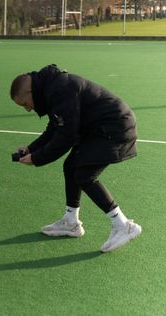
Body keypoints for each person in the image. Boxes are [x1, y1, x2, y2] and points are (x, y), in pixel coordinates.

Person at [10, 64, 141, 252]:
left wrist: (37, 158)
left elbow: (66, 137)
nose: (27, 109)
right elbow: (55, 128)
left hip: (115, 127)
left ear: (30, 91)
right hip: (98, 128)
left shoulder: (59, 90)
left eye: (25, 104)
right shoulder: (50, 88)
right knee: (71, 166)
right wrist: (31, 149)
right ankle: (71, 221)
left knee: (84, 174)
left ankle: (124, 225)